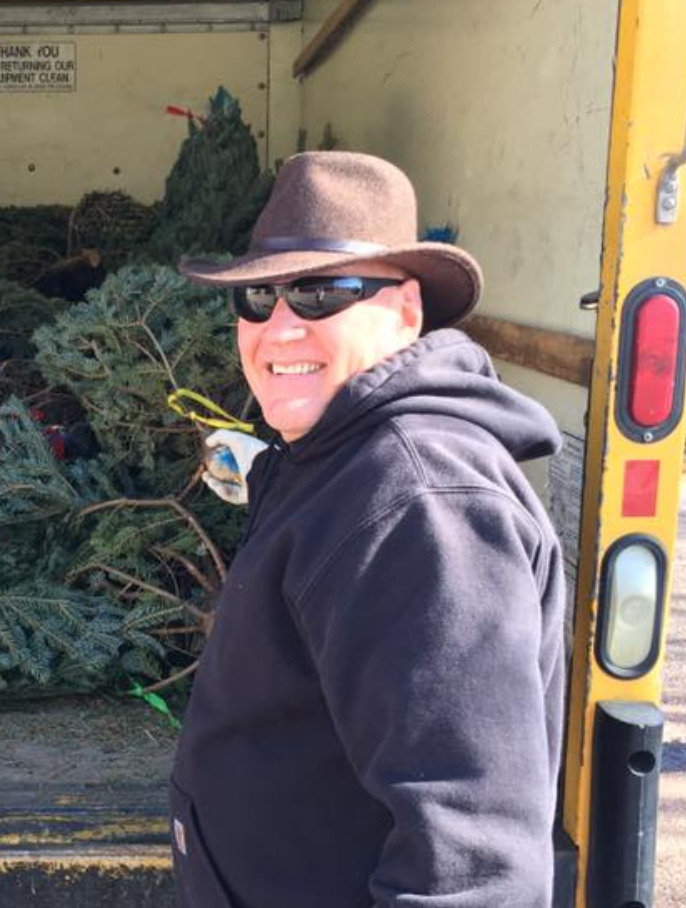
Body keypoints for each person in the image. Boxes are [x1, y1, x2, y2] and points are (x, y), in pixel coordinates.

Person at [170, 151, 566, 908]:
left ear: (408, 311)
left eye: (321, 292)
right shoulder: (329, 456)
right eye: (258, 296)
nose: (279, 327)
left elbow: (471, 867)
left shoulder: (420, 504)